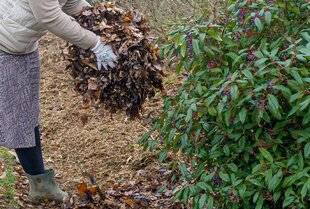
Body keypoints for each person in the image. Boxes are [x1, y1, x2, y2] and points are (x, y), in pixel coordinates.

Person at [0, 0, 117, 203]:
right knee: (20, 120)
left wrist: (98, 17)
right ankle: (41, 187)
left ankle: (40, 187)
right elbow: (50, 16)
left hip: (21, 46)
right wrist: (94, 43)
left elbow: (70, 3)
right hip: (5, 44)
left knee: (25, 119)